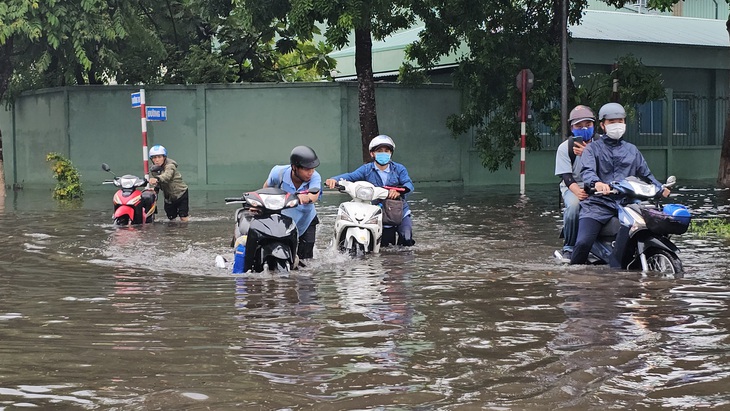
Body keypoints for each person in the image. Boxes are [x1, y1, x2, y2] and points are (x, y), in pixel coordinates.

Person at [570, 102, 670, 266]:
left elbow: (646, 174)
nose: (616, 125)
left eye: (620, 121)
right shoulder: (592, 149)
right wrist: (597, 183)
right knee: (583, 243)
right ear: (602, 125)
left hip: (627, 204)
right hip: (597, 204)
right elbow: (588, 172)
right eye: (611, 121)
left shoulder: (632, 150)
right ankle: (574, 281)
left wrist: (661, 188)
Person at [325, 134, 416, 247]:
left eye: (386, 151)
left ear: (391, 153)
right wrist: (334, 180)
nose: (383, 153)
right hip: (378, 212)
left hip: (399, 210)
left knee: (406, 238)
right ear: (372, 153)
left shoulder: (399, 169)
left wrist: (399, 191)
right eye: (379, 151)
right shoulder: (367, 169)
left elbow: (409, 184)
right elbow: (351, 176)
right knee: (384, 245)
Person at [263, 145, 322, 262]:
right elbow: (265, 190)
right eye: (306, 169)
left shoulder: (315, 176)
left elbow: (314, 195)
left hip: (306, 222)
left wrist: (306, 198)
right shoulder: (278, 173)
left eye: (313, 169)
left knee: (306, 262)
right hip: (283, 221)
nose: (310, 172)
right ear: (294, 167)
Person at [553, 105, 596, 262]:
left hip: (597, 184)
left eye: (588, 125)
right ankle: (569, 247)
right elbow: (566, 176)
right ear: (572, 128)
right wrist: (577, 191)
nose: (584, 128)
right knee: (574, 207)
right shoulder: (565, 148)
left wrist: (588, 153)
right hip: (573, 186)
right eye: (579, 126)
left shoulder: (601, 145)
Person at [148, 145, 190, 222]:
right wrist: (155, 190)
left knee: (183, 216)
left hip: (180, 193)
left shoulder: (170, 165)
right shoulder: (153, 169)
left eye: (159, 157)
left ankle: (184, 232)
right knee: (171, 218)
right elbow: (158, 182)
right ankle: (172, 233)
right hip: (168, 196)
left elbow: (166, 176)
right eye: (154, 157)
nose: (157, 160)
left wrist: (157, 179)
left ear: (164, 157)